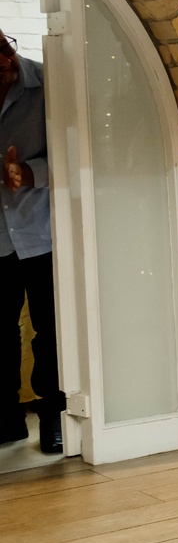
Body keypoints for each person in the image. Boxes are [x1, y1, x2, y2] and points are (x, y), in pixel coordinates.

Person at [0, 30, 64, 453]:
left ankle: (53, 416)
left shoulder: (49, 85)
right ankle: (7, 419)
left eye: (5, 49)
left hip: (42, 231)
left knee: (50, 330)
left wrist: (29, 172)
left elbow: (78, 151)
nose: (6, 62)